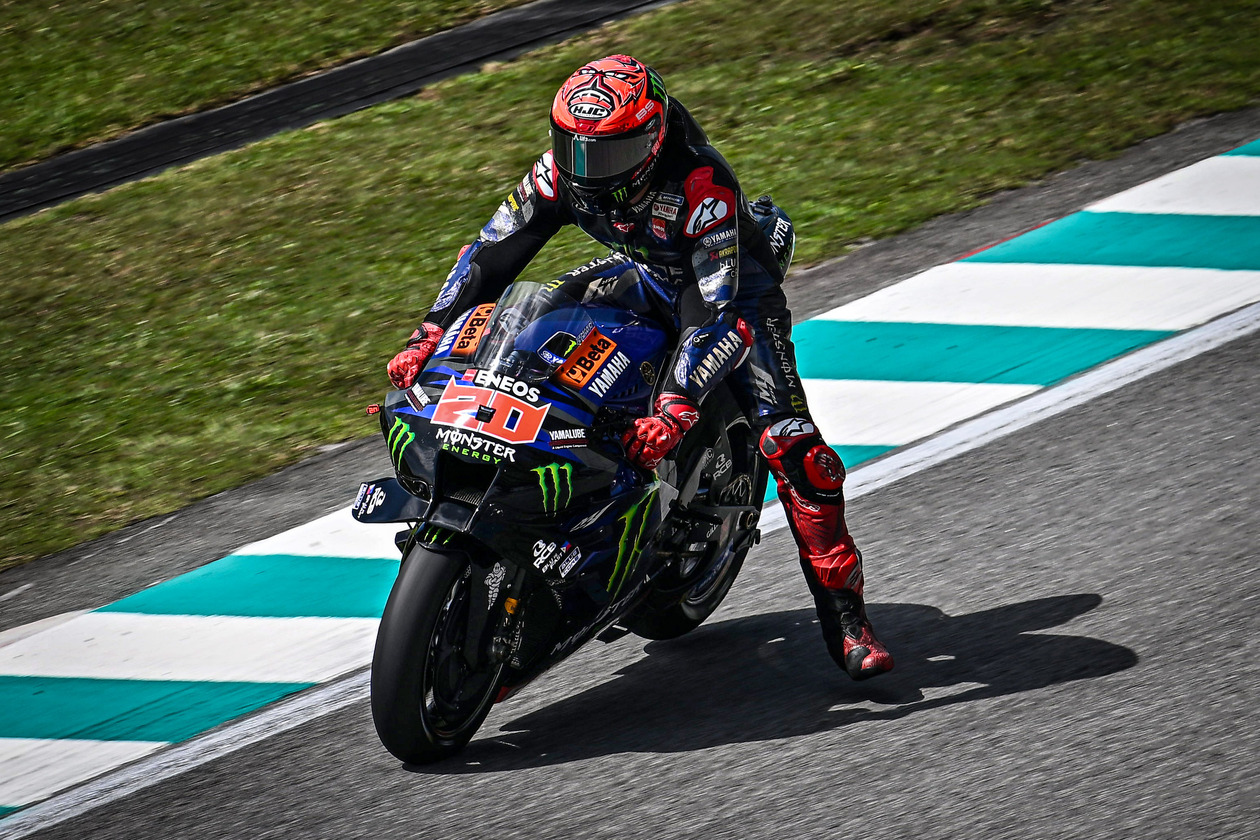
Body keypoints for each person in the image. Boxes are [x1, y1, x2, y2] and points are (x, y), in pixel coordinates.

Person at [387, 55, 893, 680]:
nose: (586, 170)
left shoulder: (699, 186)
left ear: (652, 140)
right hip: (648, 276)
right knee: (538, 328)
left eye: (606, 155)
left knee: (798, 452)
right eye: (574, 149)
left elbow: (714, 312)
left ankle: (847, 621)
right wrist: (430, 331)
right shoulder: (558, 174)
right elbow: (491, 253)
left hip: (733, 299)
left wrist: (677, 404)